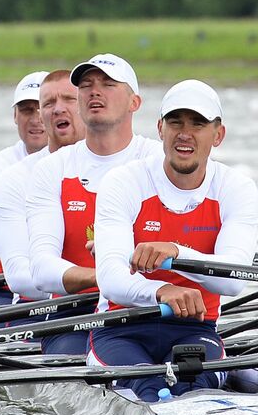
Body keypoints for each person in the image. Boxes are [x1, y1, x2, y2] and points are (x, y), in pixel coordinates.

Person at [90, 79, 258, 402]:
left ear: (218, 135)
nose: (185, 133)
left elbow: (235, 280)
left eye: (198, 124)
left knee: (195, 390)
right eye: (175, 122)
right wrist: (162, 291)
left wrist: (177, 253)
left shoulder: (235, 188)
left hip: (196, 329)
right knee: (149, 389)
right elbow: (111, 278)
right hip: (119, 327)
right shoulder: (124, 182)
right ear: (160, 128)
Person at [21, 54, 162, 355]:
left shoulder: (159, 161)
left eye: (108, 84)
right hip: (74, 315)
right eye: (85, 85)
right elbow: (43, 270)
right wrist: (111, 275)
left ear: (135, 102)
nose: (95, 91)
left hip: (154, 308)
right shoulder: (52, 170)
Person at [0, 70, 83, 305]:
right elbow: (14, 268)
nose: (58, 109)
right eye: (49, 103)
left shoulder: (124, 166)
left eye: (68, 100)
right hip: (36, 301)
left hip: (107, 297)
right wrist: (103, 281)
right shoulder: (8, 173)